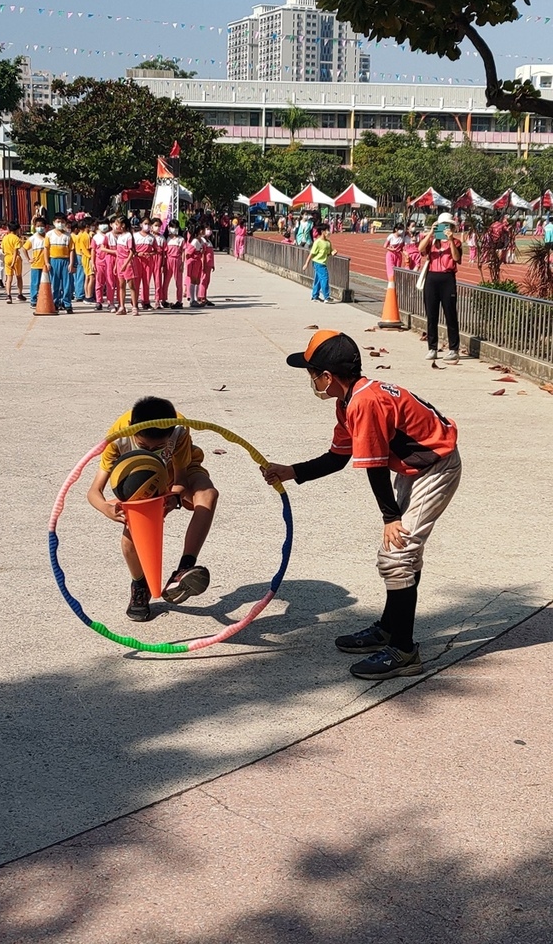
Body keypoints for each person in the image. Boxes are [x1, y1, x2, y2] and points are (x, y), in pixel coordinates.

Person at [261, 329, 461, 680]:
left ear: (327, 376)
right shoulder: (349, 400)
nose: (311, 381)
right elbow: (338, 458)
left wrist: (390, 518)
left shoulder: (365, 402)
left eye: (312, 374)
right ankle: (388, 628)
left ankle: (403, 651)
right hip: (414, 468)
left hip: (436, 467)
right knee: (402, 555)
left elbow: (376, 466)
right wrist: (291, 471)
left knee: (397, 555)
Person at [87, 395, 219, 622]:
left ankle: (184, 569)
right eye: (144, 446)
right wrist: (107, 510)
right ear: (132, 429)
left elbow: (181, 478)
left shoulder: (178, 430)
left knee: (208, 494)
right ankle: (140, 585)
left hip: (173, 477)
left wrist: (175, 498)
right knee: (130, 537)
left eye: (158, 447)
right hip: (139, 486)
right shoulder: (117, 438)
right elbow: (93, 492)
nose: (151, 450)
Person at [419, 212, 462, 361]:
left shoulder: (456, 242)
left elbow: (456, 258)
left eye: (447, 226)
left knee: (450, 314)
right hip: (432, 278)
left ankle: (454, 349)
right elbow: (420, 249)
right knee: (431, 315)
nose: (444, 228)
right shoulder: (432, 242)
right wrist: (431, 232)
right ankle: (432, 348)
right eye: (442, 226)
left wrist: (449, 240)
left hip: (447, 278)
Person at [44, 213, 76, 313]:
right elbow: (46, 249)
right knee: (55, 283)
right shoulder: (49, 234)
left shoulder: (68, 235)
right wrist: (47, 262)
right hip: (54, 261)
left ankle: (67, 303)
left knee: (67, 284)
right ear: (54, 222)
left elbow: (71, 250)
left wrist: (71, 263)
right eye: (58, 222)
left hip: (65, 261)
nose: (60, 224)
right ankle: (55, 302)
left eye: (62, 222)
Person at [303, 223, 336, 303]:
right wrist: (306, 264)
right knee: (325, 278)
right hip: (318, 263)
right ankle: (326, 297)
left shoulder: (328, 242)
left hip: (322, 262)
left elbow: (329, 252)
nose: (328, 232)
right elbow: (312, 253)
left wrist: (333, 252)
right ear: (322, 231)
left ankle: (315, 296)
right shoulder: (317, 242)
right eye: (327, 230)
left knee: (318, 279)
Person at [115, 217, 140, 316]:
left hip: (127, 262)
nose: (116, 226)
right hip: (119, 262)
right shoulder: (120, 236)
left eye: (117, 224)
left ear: (123, 225)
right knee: (121, 285)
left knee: (131, 286)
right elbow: (118, 252)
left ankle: (134, 307)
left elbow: (131, 252)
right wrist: (116, 265)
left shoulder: (129, 236)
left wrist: (125, 264)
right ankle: (122, 306)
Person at [133, 216, 157, 311]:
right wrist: (138, 253)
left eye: (149, 224)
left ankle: (146, 301)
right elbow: (131, 249)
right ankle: (135, 302)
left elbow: (156, 250)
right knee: (136, 282)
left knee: (146, 282)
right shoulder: (135, 236)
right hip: (137, 260)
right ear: (141, 225)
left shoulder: (151, 238)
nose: (147, 226)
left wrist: (150, 253)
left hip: (148, 261)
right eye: (145, 224)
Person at [22, 218, 47, 307]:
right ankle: (33, 300)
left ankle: (45, 299)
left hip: (46, 265)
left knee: (46, 283)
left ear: (46, 227)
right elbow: (24, 248)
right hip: (36, 265)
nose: (40, 228)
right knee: (35, 283)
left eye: (42, 226)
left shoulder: (48, 237)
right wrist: (29, 259)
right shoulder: (33, 238)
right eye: (38, 226)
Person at [3, 221, 26, 304]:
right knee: (19, 276)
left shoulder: (5, 238)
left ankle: (8, 295)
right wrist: (13, 262)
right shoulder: (16, 238)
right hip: (15, 258)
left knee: (8, 278)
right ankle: (20, 294)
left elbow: (2, 249)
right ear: (17, 229)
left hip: (7, 257)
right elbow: (16, 250)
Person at [164, 221, 185, 309]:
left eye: (176, 227)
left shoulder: (181, 239)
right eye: (172, 227)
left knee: (178, 281)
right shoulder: (166, 238)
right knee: (166, 281)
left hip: (177, 260)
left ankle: (179, 301)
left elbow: (183, 251)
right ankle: (163, 299)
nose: (174, 229)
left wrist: (182, 263)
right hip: (168, 260)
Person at [184, 227, 205, 307]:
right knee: (193, 279)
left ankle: (196, 298)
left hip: (198, 261)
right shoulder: (195, 241)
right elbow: (188, 252)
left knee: (197, 280)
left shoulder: (202, 240)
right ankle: (192, 299)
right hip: (193, 261)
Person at [199, 229, 216, 307]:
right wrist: (202, 264)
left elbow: (211, 254)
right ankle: (202, 296)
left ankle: (204, 296)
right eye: (207, 229)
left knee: (207, 281)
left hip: (209, 263)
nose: (209, 231)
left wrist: (213, 264)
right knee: (203, 280)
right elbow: (202, 254)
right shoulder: (202, 241)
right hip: (205, 264)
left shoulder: (208, 241)